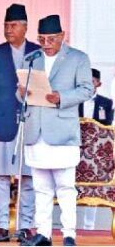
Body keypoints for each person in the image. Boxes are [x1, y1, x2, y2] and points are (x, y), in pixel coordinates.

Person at [18, 15, 93, 246]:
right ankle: (44, 234)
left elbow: (86, 90)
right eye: (42, 39)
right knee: (41, 189)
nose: (46, 44)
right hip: (36, 131)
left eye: (51, 39)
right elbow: (20, 90)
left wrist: (62, 97)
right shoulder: (31, 58)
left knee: (65, 188)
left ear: (62, 36)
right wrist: (21, 94)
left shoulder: (78, 58)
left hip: (62, 133)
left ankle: (69, 234)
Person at [0, 3, 40, 242]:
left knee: (28, 178)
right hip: (2, 126)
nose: (9, 30)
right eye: (6, 25)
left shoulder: (38, 53)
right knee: (2, 177)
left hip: (31, 127)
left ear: (25, 27)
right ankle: (3, 225)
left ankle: (25, 225)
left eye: (13, 25)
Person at [78, 68, 113, 230]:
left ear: (98, 84)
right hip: (75, 147)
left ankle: (88, 228)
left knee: (92, 187)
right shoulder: (74, 101)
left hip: (95, 154)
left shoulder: (106, 103)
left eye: (92, 82)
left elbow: (106, 127)